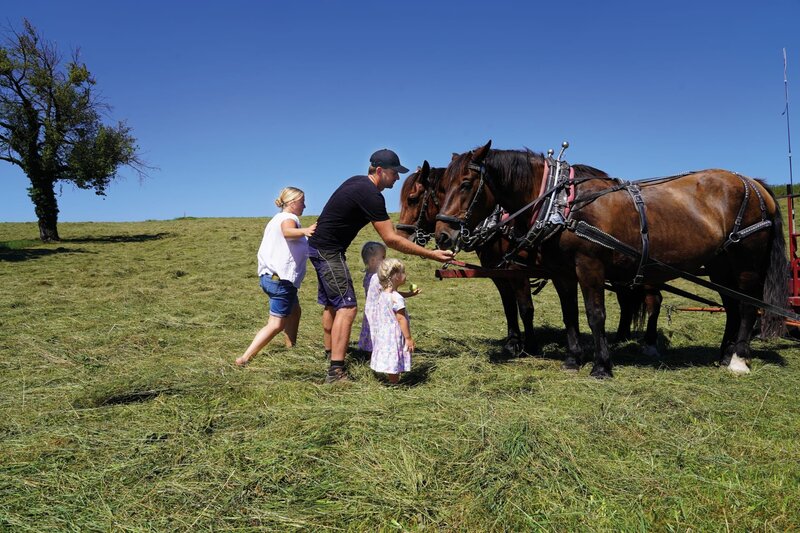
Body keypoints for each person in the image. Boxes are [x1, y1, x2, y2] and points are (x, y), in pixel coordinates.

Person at [308, 148, 454, 383]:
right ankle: (336, 371)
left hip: (320, 248)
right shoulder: (371, 194)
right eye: (394, 172)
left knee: (333, 304)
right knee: (347, 307)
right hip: (328, 252)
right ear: (379, 170)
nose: (397, 178)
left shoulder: (356, 183)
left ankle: (330, 354)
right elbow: (392, 239)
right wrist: (431, 254)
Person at [236, 187, 316, 367]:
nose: (305, 206)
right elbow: (287, 232)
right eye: (302, 202)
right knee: (276, 324)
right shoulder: (289, 219)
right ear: (292, 202)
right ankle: (245, 358)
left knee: (294, 310)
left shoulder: (275, 219)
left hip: (270, 277)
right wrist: (305, 231)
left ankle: (291, 347)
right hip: (280, 280)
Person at [368, 259, 413, 383]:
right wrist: (408, 338)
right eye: (403, 272)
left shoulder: (383, 294)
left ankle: (389, 377)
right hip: (394, 333)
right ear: (396, 276)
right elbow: (401, 318)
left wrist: (409, 294)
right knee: (394, 355)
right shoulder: (397, 298)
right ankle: (394, 383)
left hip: (383, 332)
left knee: (388, 354)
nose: (405, 275)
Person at [357, 241, 387, 354]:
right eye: (383, 257)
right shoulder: (376, 277)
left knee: (369, 329)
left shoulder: (369, 275)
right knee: (376, 330)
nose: (385, 260)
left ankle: (367, 349)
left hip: (370, 309)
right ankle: (374, 351)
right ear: (373, 261)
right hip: (378, 310)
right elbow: (387, 294)